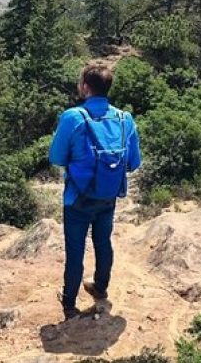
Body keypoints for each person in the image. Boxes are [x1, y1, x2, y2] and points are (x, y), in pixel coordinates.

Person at [48, 64, 142, 321]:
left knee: (75, 249)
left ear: (86, 88)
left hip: (78, 197)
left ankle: (69, 303)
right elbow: (134, 163)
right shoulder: (125, 119)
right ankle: (100, 287)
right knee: (103, 242)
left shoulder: (73, 117)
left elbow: (56, 157)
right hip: (108, 196)